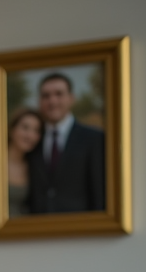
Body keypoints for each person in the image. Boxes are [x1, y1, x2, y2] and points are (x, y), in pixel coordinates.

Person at [26, 72, 106, 213]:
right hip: (37, 223)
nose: (52, 101)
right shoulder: (31, 139)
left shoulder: (94, 138)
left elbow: (99, 191)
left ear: (71, 98)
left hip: (80, 223)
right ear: (39, 101)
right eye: (46, 96)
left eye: (59, 94)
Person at [6, 108, 42, 217]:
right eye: (25, 128)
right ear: (12, 129)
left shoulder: (35, 168)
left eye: (36, 131)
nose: (30, 135)